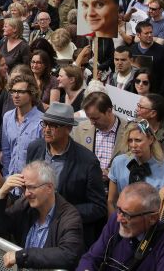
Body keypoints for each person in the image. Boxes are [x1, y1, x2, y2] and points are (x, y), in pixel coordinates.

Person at [26, 102, 107, 242]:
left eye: (53, 125)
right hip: (34, 226)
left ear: (68, 129)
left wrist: (63, 213)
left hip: (66, 234)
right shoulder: (35, 148)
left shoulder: (87, 161)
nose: (46, 129)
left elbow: (98, 207)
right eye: (45, 124)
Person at [0, 160, 85, 270]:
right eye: (24, 188)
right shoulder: (24, 205)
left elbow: (68, 254)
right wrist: (1, 193)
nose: (27, 193)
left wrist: (22, 256)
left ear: (49, 187)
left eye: (32, 187)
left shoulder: (69, 217)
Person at [77, 181, 164, 271]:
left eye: (127, 214)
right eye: (118, 209)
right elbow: (91, 258)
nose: (119, 218)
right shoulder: (116, 221)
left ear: (152, 218)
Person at [107, 121, 164, 215]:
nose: (133, 145)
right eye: (130, 140)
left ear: (150, 139)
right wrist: (113, 225)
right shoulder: (118, 163)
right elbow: (111, 201)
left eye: (138, 140)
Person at [73, 91, 130, 183]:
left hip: (117, 188)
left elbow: (134, 161)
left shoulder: (129, 130)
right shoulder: (80, 129)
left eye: (96, 118)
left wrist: (112, 174)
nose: (92, 122)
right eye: (89, 118)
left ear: (109, 111)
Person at [0, 72, 45, 184]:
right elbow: (6, 151)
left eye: (21, 92)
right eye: (13, 91)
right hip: (11, 181)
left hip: (32, 183)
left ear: (32, 94)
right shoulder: (7, 117)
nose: (16, 95)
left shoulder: (42, 121)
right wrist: (7, 177)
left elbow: (43, 158)